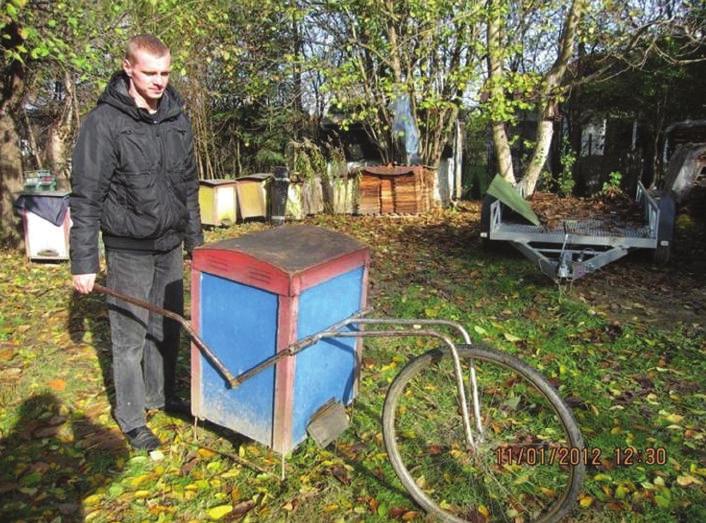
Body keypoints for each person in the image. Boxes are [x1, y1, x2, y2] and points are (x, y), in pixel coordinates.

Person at [69, 34, 203, 451]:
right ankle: (131, 418)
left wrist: (197, 247)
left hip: (170, 244)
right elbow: (86, 195)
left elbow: (188, 186)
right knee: (129, 336)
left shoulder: (178, 118)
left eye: (165, 73)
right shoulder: (103, 124)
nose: (159, 81)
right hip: (128, 248)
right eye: (149, 73)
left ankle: (161, 397)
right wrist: (83, 261)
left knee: (167, 328)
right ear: (128, 67)